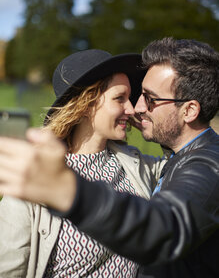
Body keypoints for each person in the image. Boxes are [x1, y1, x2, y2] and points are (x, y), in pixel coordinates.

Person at [0, 37, 218, 277]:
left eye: (148, 98)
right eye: (120, 98)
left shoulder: (139, 166)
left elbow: (165, 223)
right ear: (85, 104)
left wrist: (68, 191)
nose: (134, 108)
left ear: (189, 110)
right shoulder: (37, 179)